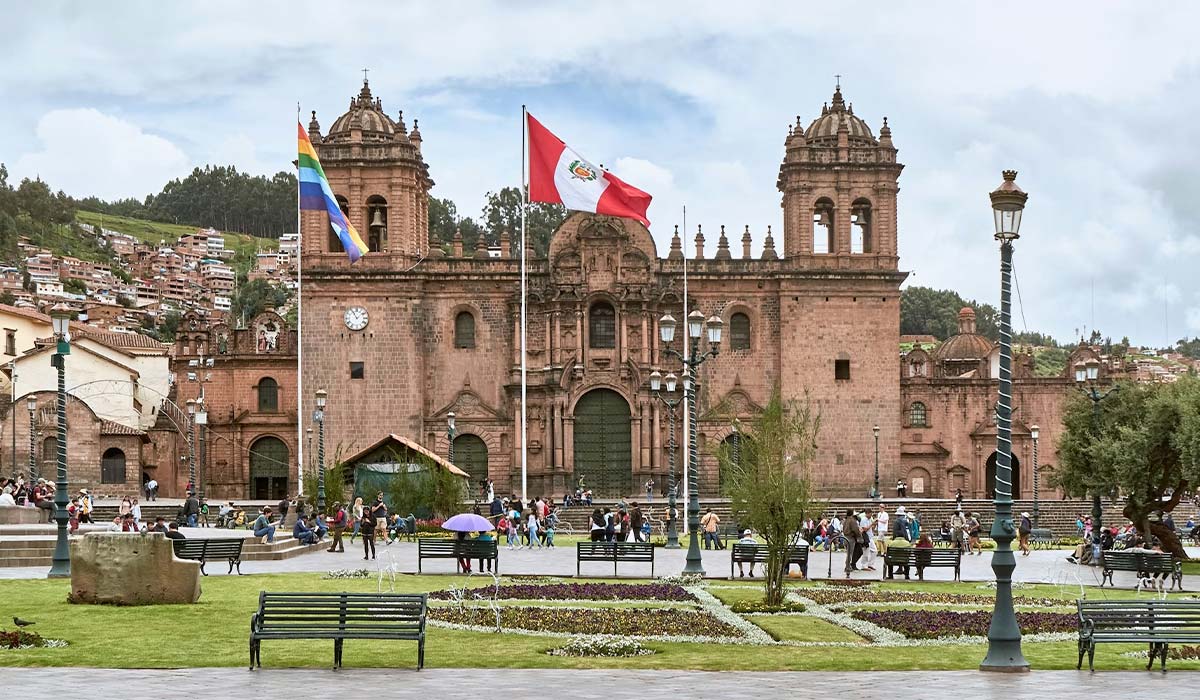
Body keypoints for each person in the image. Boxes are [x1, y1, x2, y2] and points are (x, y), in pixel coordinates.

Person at [842, 509, 862, 577]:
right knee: (850, 553)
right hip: (850, 537)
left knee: (848, 553)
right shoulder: (852, 520)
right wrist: (859, 535)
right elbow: (855, 529)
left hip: (845, 537)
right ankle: (847, 566)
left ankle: (848, 565)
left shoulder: (845, 520)